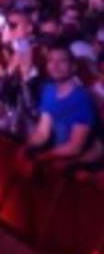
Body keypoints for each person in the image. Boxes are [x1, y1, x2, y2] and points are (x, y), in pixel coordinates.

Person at [19, 44, 103, 172]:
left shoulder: (81, 98)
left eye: (62, 61)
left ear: (73, 67)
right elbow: (42, 132)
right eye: (51, 60)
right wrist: (25, 148)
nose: (55, 65)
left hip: (76, 168)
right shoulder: (49, 90)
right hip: (55, 158)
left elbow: (75, 146)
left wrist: (43, 157)